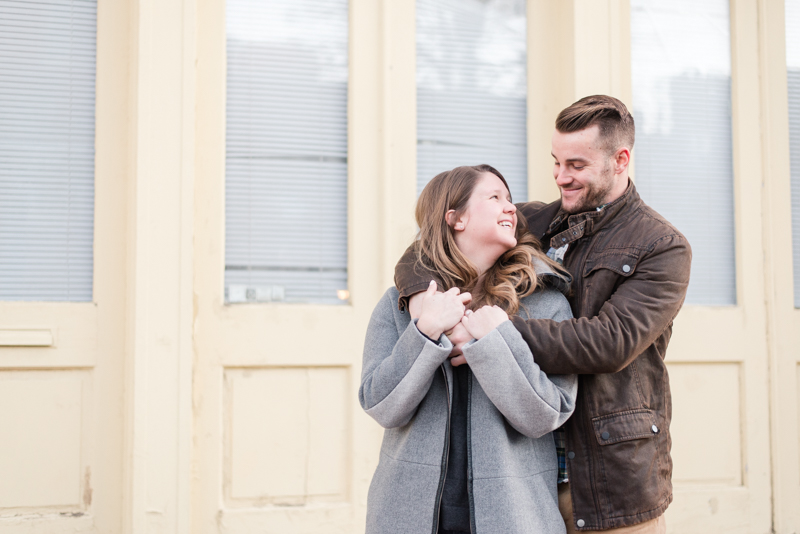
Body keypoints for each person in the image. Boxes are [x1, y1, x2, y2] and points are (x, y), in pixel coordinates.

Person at [395, 96, 692, 533]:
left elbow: (610, 343)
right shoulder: (532, 220)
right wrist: (424, 300)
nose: (560, 177)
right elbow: (429, 244)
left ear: (620, 160)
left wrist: (499, 331)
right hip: (524, 479)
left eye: (576, 165)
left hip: (608, 478)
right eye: (556, 162)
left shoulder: (662, 246)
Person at [359, 165, 578, 534]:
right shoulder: (400, 304)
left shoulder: (546, 304)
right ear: (455, 218)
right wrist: (426, 331)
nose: (511, 208)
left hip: (513, 517)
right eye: (495, 198)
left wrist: (490, 343)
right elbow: (381, 405)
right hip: (407, 517)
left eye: (510, 199)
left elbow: (545, 416)